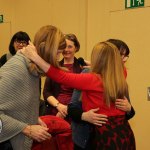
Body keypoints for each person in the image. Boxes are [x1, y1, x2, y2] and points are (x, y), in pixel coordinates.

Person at [20, 39, 136, 149]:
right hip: (124, 133)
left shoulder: (92, 79)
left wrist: (36, 58)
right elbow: (111, 67)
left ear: (98, 59)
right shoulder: (121, 74)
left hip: (105, 136)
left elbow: (61, 76)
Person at [0, 25, 67, 150]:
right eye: (57, 53)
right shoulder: (16, 69)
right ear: (46, 49)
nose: (58, 58)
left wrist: (32, 118)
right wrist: (27, 129)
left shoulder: (32, 68)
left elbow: (15, 106)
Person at [68, 39, 135, 149]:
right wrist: (85, 116)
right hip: (85, 138)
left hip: (110, 139)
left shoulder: (119, 77)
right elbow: (72, 108)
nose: (125, 60)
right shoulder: (88, 74)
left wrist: (129, 109)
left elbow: (128, 113)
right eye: (121, 56)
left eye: (126, 56)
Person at [43, 33, 82, 121]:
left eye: (70, 47)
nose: (66, 50)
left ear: (76, 48)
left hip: (74, 111)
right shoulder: (54, 66)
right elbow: (46, 92)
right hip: (55, 109)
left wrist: (66, 109)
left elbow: (82, 95)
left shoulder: (81, 67)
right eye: (64, 47)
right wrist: (59, 106)